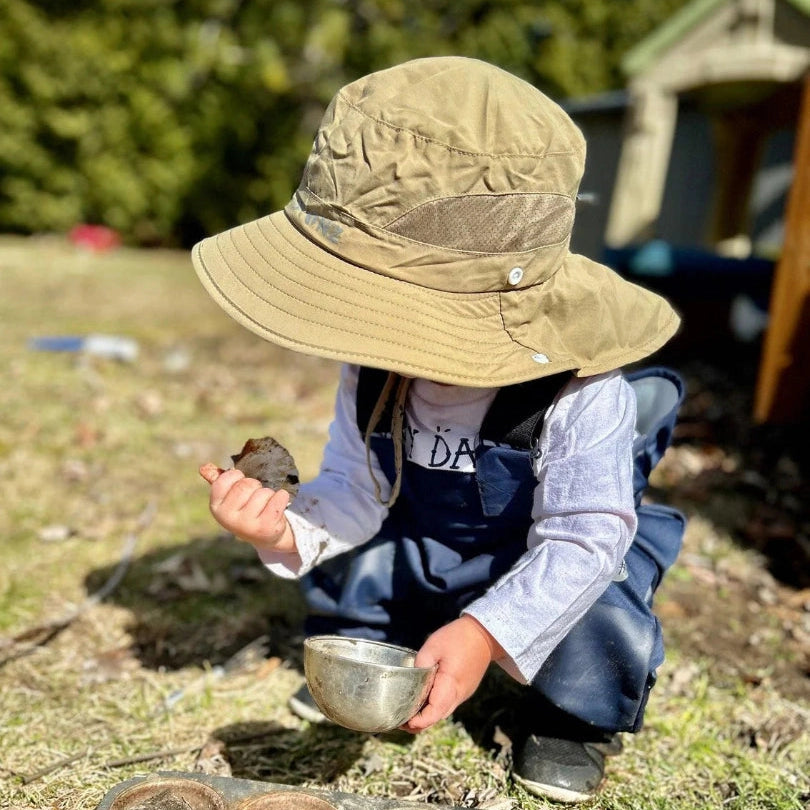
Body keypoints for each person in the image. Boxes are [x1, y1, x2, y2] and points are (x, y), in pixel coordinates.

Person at [193, 56, 686, 804]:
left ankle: (565, 721)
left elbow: (585, 536)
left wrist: (486, 633)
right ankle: (390, 649)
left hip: (555, 556)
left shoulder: (581, 387)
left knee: (601, 605)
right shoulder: (374, 368)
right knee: (361, 568)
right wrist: (280, 532)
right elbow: (354, 492)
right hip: (434, 545)